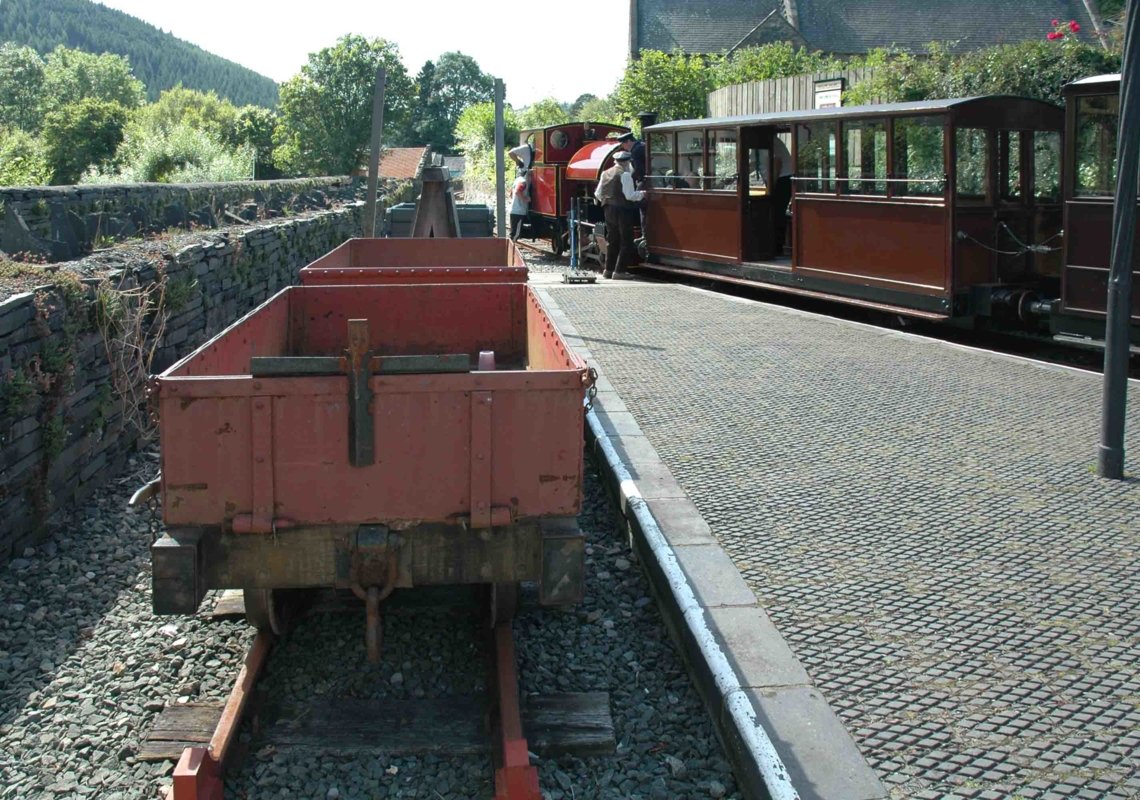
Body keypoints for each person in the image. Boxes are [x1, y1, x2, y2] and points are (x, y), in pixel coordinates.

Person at [594, 150, 644, 279]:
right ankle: (619, 271)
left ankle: (608, 270)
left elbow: (598, 194)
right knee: (626, 240)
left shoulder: (605, 173)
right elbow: (630, 195)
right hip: (622, 210)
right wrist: (643, 194)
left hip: (608, 209)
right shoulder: (625, 175)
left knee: (612, 240)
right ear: (627, 162)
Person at [509, 167, 530, 241]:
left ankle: (509, 249)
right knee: (516, 234)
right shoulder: (523, 182)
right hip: (520, 211)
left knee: (513, 233)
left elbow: (511, 194)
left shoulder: (516, 180)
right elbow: (517, 191)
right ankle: (510, 250)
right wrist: (525, 199)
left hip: (513, 210)